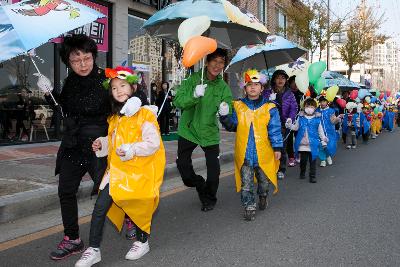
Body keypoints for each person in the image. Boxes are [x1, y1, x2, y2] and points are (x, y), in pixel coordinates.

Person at [74, 66, 165, 267]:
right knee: (100, 207)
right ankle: (94, 249)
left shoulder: (146, 115)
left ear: (133, 87)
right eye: (114, 88)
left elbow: (153, 144)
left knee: (139, 208)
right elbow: (114, 142)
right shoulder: (114, 118)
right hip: (116, 173)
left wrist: (132, 149)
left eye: (123, 86)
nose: (119, 91)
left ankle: (142, 241)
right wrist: (102, 143)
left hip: (139, 174)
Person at [35, 34, 110, 260]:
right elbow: (62, 108)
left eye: (87, 58)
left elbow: (123, 100)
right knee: (66, 191)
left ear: (94, 56)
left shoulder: (106, 79)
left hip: (99, 144)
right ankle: (73, 239)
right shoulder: (70, 82)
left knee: (108, 191)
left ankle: (130, 219)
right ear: (68, 61)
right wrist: (49, 93)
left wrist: (137, 104)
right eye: (76, 60)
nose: (83, 64)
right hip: (73, 144)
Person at [173, 48, 233, 212]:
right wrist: (193, 94)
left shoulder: (223, 87)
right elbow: (178, 101)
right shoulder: (193, 79)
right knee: (184, 170)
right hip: (189, 130)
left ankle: (209, 198)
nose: (217, 65)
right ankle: (198, 182)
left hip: (209, 132)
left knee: (214, 171)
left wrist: (226, 110)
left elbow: (229, 109)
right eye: (214, 61)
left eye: (221, 62)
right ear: (207, 62)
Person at [219, 69, 282, 221]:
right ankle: (249, 206)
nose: (252, 87)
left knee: (264, 182)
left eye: (256, 84)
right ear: (244, 88)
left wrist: (277, 147)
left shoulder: (269, 108)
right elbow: (232, 126)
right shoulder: (238, 106)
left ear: (262, 87)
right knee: (246, 183)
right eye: (249, 84)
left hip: (264, 154)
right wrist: (224, 116)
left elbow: (274, 129)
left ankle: (263, 195)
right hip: (245, 153)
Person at [263, 70, 298, 180]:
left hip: (283, 125)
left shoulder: (290, 94)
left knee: (281, 148)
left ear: (286, 80)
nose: (280, 80)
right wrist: (269, 100)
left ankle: (281, 169)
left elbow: (294, 108)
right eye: (278, 78)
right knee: (269, 147)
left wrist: (290, 119)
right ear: (273, 79)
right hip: (269, 124)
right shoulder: (267, 93)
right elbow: (261, 106)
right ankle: (269, 168)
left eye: (283, 78)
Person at [286, 98, 327, 183]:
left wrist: (323, 139)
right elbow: (295, 127)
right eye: (307, 106)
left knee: (313, 161)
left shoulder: (317, 119)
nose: (309, 108)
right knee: (303, 161)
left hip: (314, 144)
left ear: (315, 108)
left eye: (312, 106)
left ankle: (312, 176)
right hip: (302, 144)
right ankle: (302, 171)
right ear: (304, 107)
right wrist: (289, 125)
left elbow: (320, 130)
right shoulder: (300, 118)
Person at [316, 96, 340, 167]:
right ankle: (323, 160)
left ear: (327, 102)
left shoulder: (331, 110)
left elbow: (333, 121)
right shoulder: (317, 111)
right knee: (321, 146)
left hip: (330, 131)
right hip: (320, 132)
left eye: (324, 101)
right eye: (321, 101)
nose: (322, 103)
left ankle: (328, 155)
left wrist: (337, 119)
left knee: (329, 146)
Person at [287, 75, 303, 167]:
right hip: (289, 119)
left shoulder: (302, 93)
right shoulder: (287, 93)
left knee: (299, 138)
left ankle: (298, 154)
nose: (295, 84)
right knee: (289, 139)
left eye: (297, 82)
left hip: (299, 119)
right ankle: (291, 157)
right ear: (290, 83)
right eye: (294, 82)